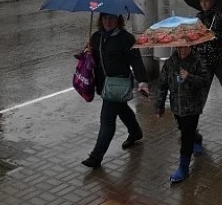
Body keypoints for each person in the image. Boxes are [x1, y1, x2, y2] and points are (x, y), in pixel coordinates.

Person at [81, 13, 149, 169]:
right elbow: (91, 60)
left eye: (111, 18)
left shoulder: (126, 39)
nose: (108, 21)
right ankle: (135, 132)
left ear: (118, 20)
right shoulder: (97, 37)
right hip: (104, 84)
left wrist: (143, 81)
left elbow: (136, 61)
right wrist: (86, 53)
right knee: (122, 109)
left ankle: (96, 157)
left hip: (118, 84)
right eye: (104, 18)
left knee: (107, 119)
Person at [155, 45, 211, 184]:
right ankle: (196, 139)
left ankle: (183, 168)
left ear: (190, 46)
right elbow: (162, 84)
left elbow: (205, 81)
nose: (182, 51)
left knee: (186, 136)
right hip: (177, 106)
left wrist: (189, 77)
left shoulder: (198, 60)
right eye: (179, 48)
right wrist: (159, 106)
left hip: (193, 107)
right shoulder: (171, 62)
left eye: (185, 47)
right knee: (185, 130)